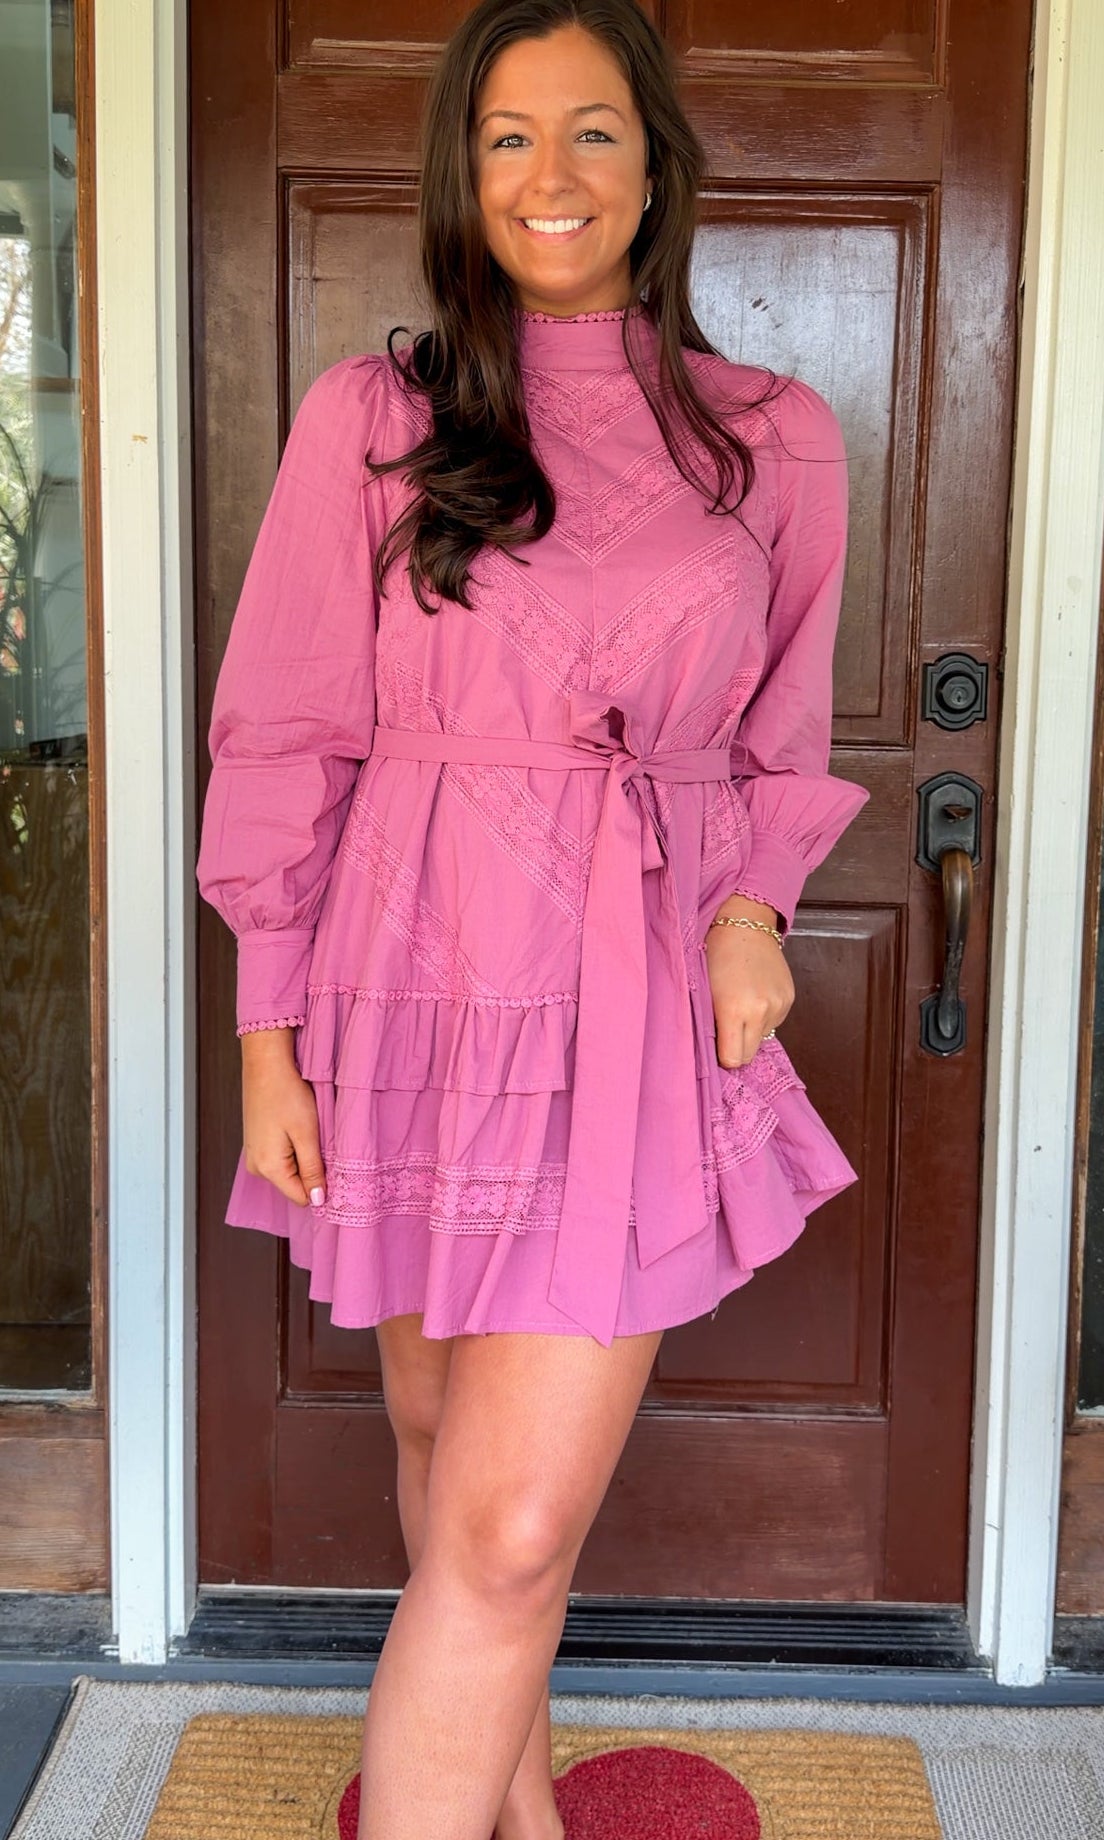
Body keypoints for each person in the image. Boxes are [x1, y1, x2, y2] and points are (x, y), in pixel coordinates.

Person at [196, 0, 870, 1833]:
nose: (550, 174)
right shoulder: (379, 413)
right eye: (506, 135)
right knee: (437, 1449)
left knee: (503, 1523)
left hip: (630, 993)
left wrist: (758, 908)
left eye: (592, 130)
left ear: (658, 162)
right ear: (459, 170)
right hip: (404, 979)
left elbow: (777, 728)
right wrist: (267, 1027)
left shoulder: (770, 439)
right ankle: (520, 1803)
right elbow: (284, 732)